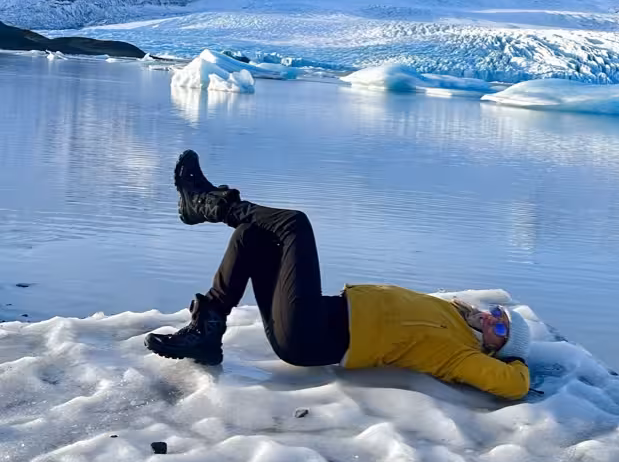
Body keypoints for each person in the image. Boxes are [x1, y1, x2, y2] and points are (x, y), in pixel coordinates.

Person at [144, 151, 531, 400]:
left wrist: (518, 364)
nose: (493, 318)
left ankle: (210, 205)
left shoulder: (459, 354)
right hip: (312, 317)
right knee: (254, 236)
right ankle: (207, 331)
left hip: (310, 337)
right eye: (499, 313)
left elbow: (511, 386)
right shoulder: (451, 314)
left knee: (294, 224)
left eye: (501, 328)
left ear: (496, 348)